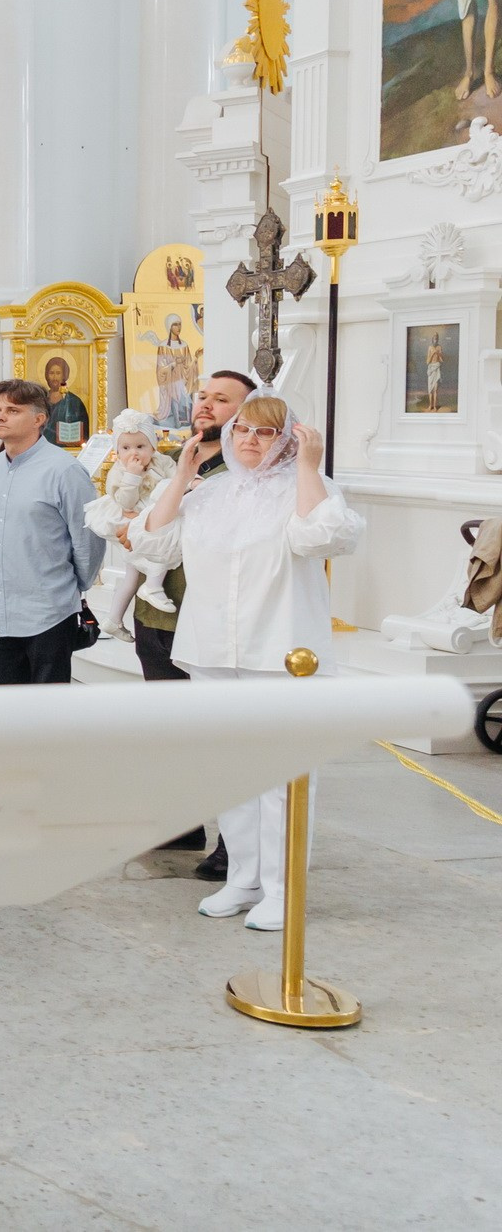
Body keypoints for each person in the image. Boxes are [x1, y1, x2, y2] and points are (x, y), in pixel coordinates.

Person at [130, 392, 363, 931]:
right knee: (228, 770)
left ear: (287, 438)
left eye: (264, 432)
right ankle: (245, 879)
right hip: (211, 648)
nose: (251, 441)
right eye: (243, 431)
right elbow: (153, 543)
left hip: (282, 652)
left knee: (283, 777)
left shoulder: (311, 489)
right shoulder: (210, 493)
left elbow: (321, 538)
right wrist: (181, 474)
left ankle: (285, 889)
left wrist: (309, 465)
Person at [130, 371, 253, 865]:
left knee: (218, 735)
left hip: (210, 620)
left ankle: (234, 843)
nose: (205, 405)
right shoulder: (177, 457)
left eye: (222, 400)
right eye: (203, 396)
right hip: (158, 614)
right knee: (173, 728)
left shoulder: (247, 472)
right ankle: (180, 823)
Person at [0, 378, 104, 684]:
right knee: (6, 709)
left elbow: (87, 537)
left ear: (39, 419)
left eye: (12, 410)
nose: (0, 416)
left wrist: (72, 587)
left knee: (49, 714)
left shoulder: (64, 470)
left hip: (48, 610)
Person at [85, 410, 179, 643]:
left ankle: (113, 619)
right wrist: (132, 477)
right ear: (118, 451)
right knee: (160, 550)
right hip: (133, 523)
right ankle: (153, 585)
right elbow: (124, 502)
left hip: (152, 515)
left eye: (140, 446)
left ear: (152, 447)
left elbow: (176, 481)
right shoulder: (119, 472)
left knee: (130, 575)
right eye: (126, 448)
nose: (133, 453)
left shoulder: (163, 462)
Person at [42, 355, 91, 447]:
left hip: (68, 450)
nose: (55, 377)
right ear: (46, 375)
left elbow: (84, 432)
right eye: (51, 373)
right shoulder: (41, 400)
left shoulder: (74, 402)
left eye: (58, 373)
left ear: (64, 376)